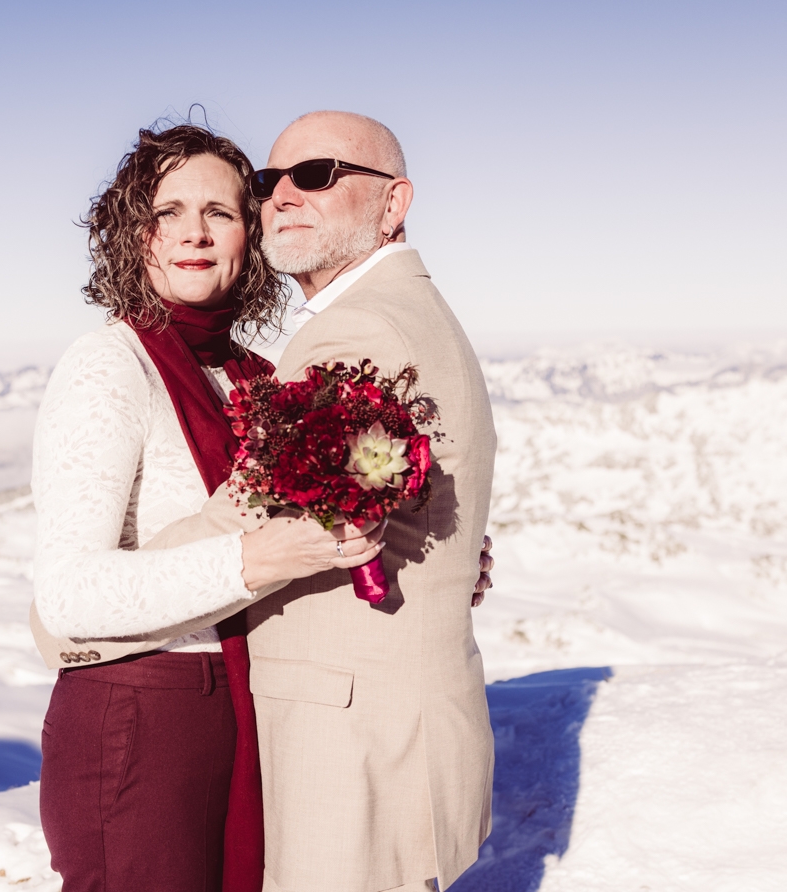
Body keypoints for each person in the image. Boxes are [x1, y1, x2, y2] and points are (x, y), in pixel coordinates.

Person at [30, 123, 391, 892]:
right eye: (168, 211)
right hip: (138, 710)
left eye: (220, 213)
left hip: (238, 706)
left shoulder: (255, 378)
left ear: (250, 235)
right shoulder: (111, 365)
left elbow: (310, 528)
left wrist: (411, 543)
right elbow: (68, 594)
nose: (194, 232)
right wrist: (255, 560)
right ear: (136, 232)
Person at [143, 111, 498, 892]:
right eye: (271, 183)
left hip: (354, 741)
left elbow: (252, 514)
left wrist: (106, 585)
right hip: (397, 725)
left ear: (393, 203)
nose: (283, 198)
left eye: (318, 175)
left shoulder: (358, 329)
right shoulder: (410, 312)